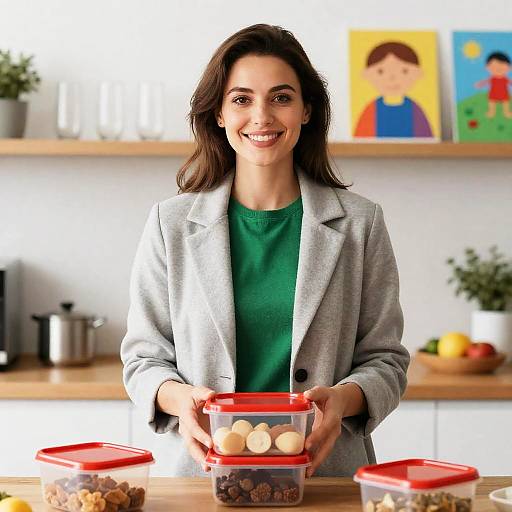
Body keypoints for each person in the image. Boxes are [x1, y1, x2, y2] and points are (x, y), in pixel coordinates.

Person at [120, 23, 410, 478]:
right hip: (204, 478)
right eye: (241, 99)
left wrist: (340, 401)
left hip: (326, 476)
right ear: (218, 113)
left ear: (307, 110)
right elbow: (143, 358)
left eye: (281, 97)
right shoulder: (169, 224)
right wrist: (181, 399)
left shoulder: (361, 223)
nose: (262, 117)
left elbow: (386, 361)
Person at [354, 41, 433, 138]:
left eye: (404, 71)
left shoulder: (415, 110)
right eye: (381, 71)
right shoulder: (370, 110)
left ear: (418, 73)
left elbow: (426, 139)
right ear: (366, 74)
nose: (392, 78)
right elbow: (361, 140)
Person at [475, 51, 512, 119]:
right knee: (492, 103)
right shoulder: (492, 78)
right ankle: (491, 112)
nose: (498, 69)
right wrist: (480, 84)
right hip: (493, 93)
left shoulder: (505, 79)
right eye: (494, 67)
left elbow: (510, 82)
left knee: (505, 103)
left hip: (504, 93)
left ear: (509, 68)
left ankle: (507, 112)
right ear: (487, 67)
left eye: (502, 66)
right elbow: (486, 82)